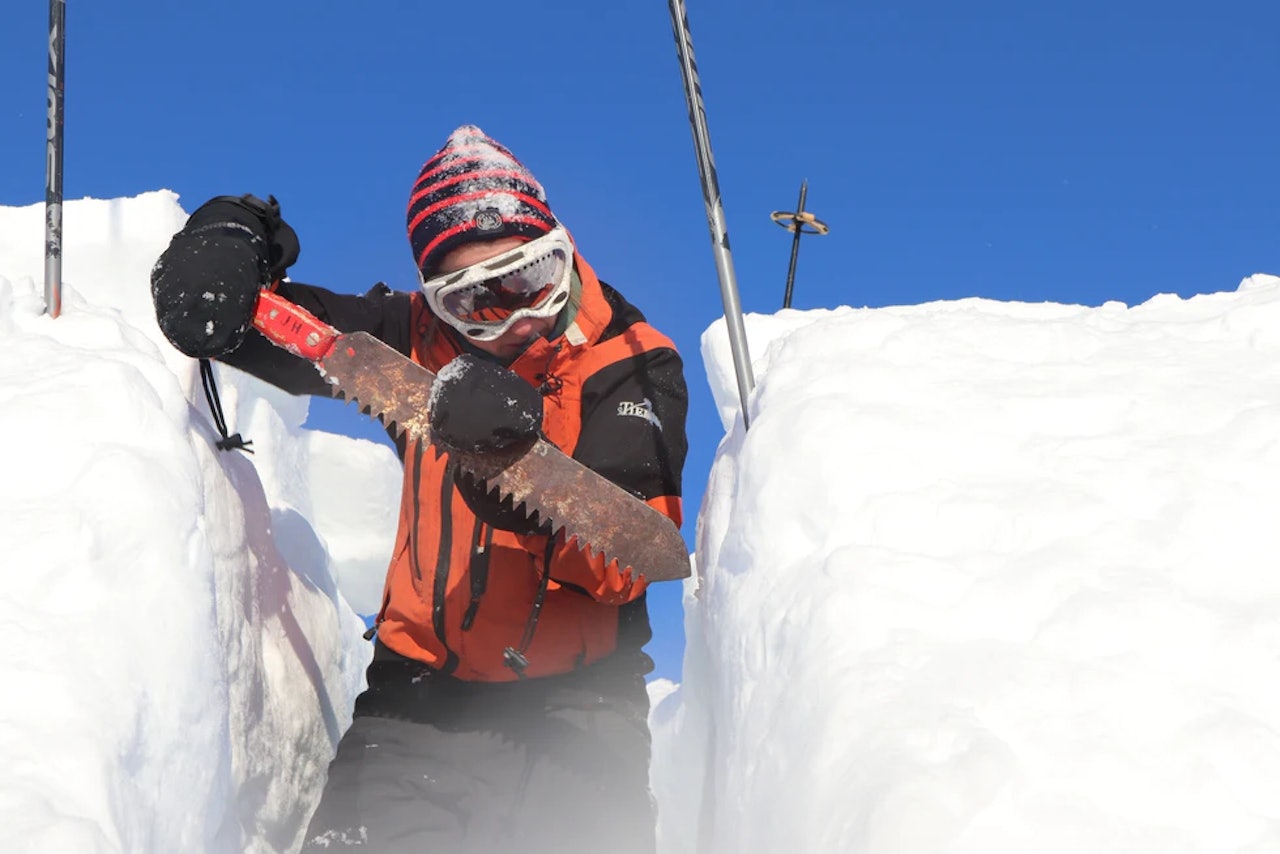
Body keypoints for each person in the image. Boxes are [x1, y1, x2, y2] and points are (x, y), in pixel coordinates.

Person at [149, 125, 689, 853]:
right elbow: (255, 323)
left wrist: (515, 469)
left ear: (560, 249)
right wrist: (237, 228)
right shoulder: (410, 339)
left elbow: (628, 562)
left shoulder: (633, 359)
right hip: (413, 707)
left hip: (580, 714)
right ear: (438, 305)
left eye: (528, 280)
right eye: (475, 303)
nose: (515, 321)